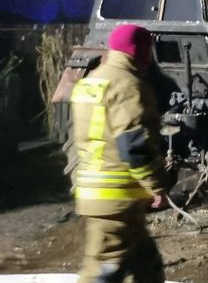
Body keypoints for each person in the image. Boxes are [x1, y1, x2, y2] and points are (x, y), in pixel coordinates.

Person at [70, 24, 170, 283]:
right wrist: (157, 187)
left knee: (146, 266)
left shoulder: (90, 82)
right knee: (104, 270)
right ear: (141, 51)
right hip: (115, 198)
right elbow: (135, 145)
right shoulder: (128, 85)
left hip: (100, 193)